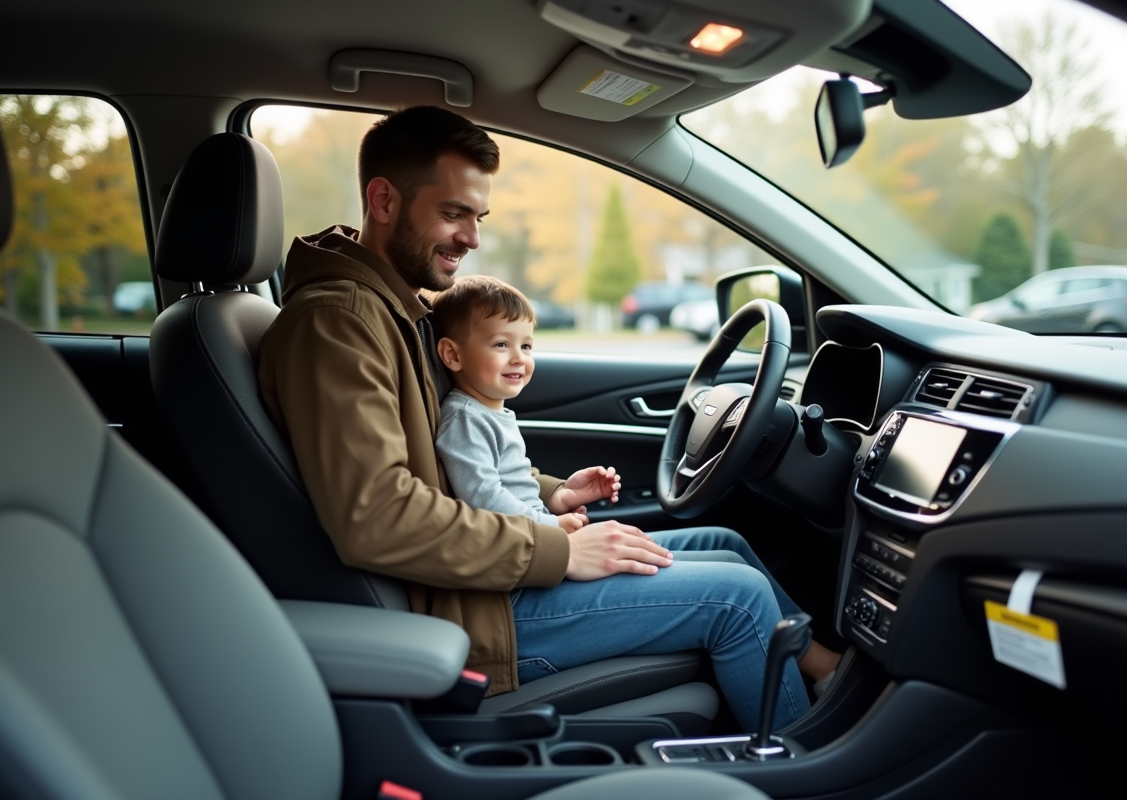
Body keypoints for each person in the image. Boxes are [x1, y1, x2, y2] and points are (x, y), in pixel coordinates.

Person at [256, 105, 840, 732]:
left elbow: (455, 457)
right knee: (740, 598)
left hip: (481, 581)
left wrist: (554, 493)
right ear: (383, 200)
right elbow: (376, 516)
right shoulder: (339, 324)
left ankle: (828, 676)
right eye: (453, 214)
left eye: (478, 218)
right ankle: (812, 760)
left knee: (724, 546)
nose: (473, 239)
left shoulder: (398, 312)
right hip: (475, 616)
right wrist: (557, 550)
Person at [430, 274, 613, 534]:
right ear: (453, 354)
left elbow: (514, 485)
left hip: (533, 534)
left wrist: (559, 499)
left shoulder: (491, 412)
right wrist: (552, 526)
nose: (519, 358)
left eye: (526, 346)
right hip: (525, 548)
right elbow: (485, 499)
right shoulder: (465, 420)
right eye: (501, 344)